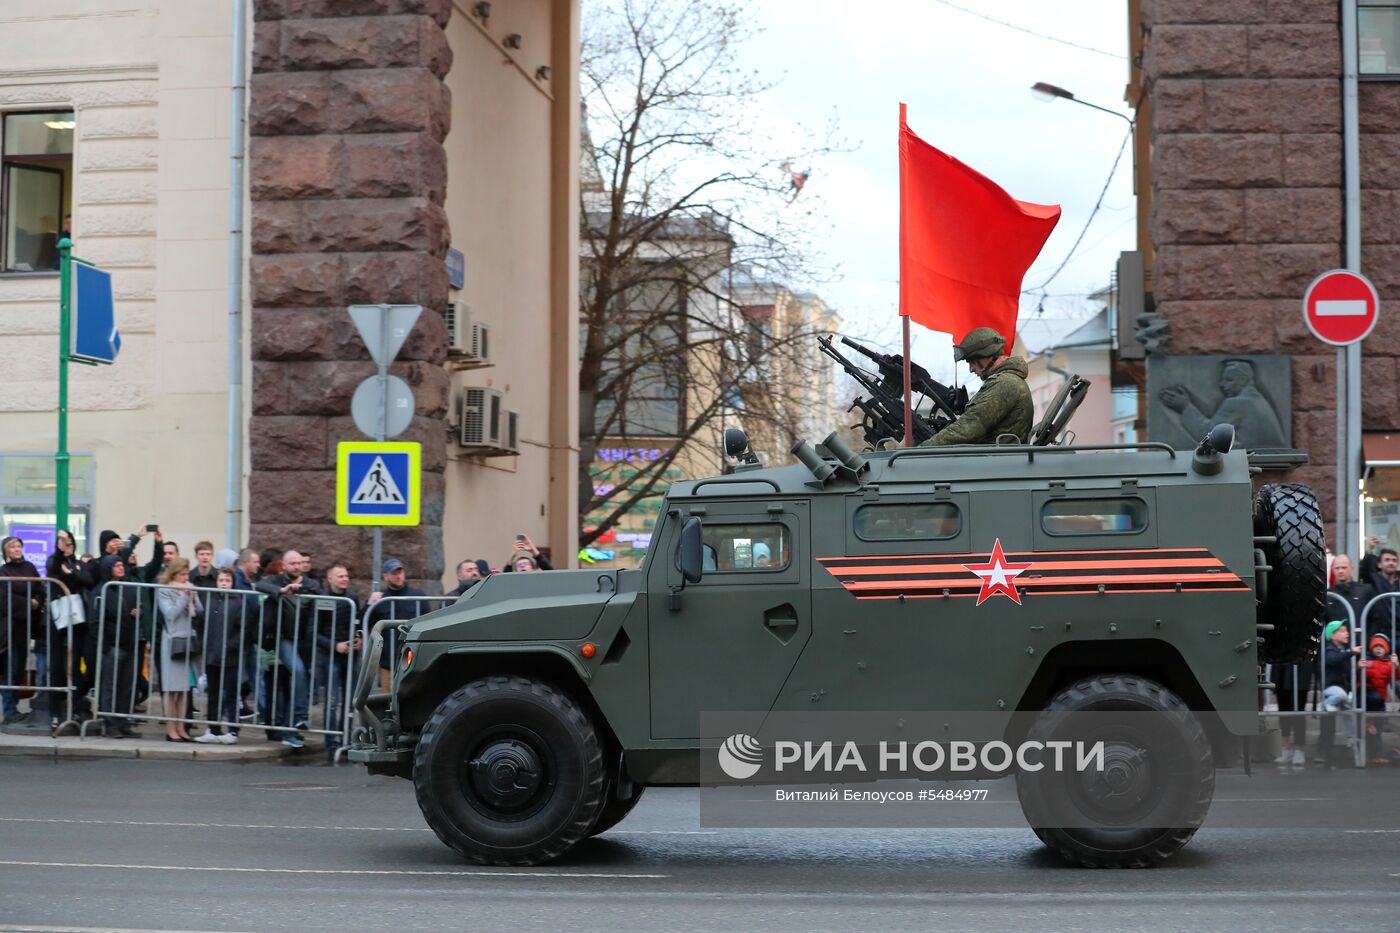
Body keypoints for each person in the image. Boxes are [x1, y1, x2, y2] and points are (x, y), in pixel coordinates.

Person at [919, 327, 1032, 447]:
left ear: (987, 356)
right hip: (994, 457)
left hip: (994, 460)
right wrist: (966, 409)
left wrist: (919, 451)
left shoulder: (1005, 383)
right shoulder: (1007, 381)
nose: (971, 369)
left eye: (972, 362)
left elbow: (968, 429)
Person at [255, 549, 321, 748]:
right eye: (292, 563)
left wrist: (303, 590)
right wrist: (282, 591)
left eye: (299, 563)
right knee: (297, 672)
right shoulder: (278, 581)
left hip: (306, 640)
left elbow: (321, 595)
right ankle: (300, 716)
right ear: (284, 565)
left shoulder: (310, 583)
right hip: (284, 639)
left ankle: (291, 730)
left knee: (298, 682)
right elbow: (259, 585)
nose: (297, 566)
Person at [1158, 358, 1288, 449]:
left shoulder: (1237, 403)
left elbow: (1209, 436)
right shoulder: (1258, 400)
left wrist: (1185, 407)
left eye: (1228, 380)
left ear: (1243, 380)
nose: (1222, 385)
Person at [195, 568, 253, 745]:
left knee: (231, 694)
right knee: (213, 693)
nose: (224, 584)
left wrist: (230, 645)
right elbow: (203, 624)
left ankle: (233, 730)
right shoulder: (211, 601)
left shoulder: (238, 603)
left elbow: (244, 630)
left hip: (231, 657)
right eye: (221, 580)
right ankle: (213, 728)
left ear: (232, 583)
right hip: (213, 655)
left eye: (227, 581)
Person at [45, 529, 93, 725]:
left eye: (69, 543)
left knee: (76, 667)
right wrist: (60, 552)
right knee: (56, 667)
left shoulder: (79, 564)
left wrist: (73, 572)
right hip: (58, 617)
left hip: (77, 619)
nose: (66, 546)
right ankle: (55, 713)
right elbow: (53, 567)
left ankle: (75, 709)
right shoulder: (54, 561)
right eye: (62, 543)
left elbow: (88, 580)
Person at [316, 563, 362, 761]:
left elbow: (357, 622)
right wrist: (334, 645)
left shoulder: (352, 598)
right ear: (330, 579)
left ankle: (345, 738)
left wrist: (358, 638)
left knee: (349, 700)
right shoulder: (322, 600)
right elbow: (313, 632)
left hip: (350, 655)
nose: (345, 579)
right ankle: (331, 741)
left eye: (346, 576)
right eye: (340, 576)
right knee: (332, 701)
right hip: (330, 655)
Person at [155, 557, 202, 742]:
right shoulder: (164, 589)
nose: (186, 577)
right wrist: (183, 596)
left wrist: (193, 596)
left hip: (187, 639)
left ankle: (181, 726)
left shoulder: (189, 587)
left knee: (183, 689)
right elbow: (170, 614)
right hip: (172, 640)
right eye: (182, 574)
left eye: (187, 573)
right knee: (171, 689)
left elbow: (200, 611)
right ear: (174, 573)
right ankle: (170, 728)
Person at [365, 558, 428, 692]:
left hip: (414, 659)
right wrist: (369, 605)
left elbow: (428, 624)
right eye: (394, 573)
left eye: (400, 571)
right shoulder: (380, 600)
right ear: (386, 576)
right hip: (388, 661)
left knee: (412, 696)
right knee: (388, 699)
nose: (398, 575)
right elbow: (365, 624)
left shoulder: (418, 596)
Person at [92, 556, 138, 737]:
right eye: (116, 565)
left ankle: (122, 721)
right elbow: (95, 622)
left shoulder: (126, 588)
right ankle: (109, 723)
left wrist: (136, 613)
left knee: (125, 686)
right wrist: (104, 646)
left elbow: (131, 612)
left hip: (127, 644)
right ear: (107, 568)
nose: (121, 568)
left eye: (121, 564)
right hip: (112, 646)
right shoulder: (101, 591)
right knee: (110, 686)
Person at [0, 536, 44, 725]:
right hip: (8, 628)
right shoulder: (3, 572)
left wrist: (37, 601)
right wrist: (29, 603)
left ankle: (15, 708)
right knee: (9, 669)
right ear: (6, 551)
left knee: (18, 670)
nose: (17, 549)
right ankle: (9, 710)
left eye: (19, 546)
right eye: (13, 547)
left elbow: (40, 589)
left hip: (24, 628)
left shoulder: (29, 568)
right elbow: (4, 599)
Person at [1315, 620, 1363, 768]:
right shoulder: (1330, 650)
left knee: (1349, 712)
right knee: (1328, 725)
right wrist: (1351, 652)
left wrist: (1358, 668)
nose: (1347, 633)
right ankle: (1324, 753)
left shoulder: (1343, 652)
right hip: (1331, 691)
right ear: (1333, 636)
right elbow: (1333, 660)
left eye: (1346, 630)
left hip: (1341, 692)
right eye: (1342, 631)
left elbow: (1347, 673)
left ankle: (1350, 737)